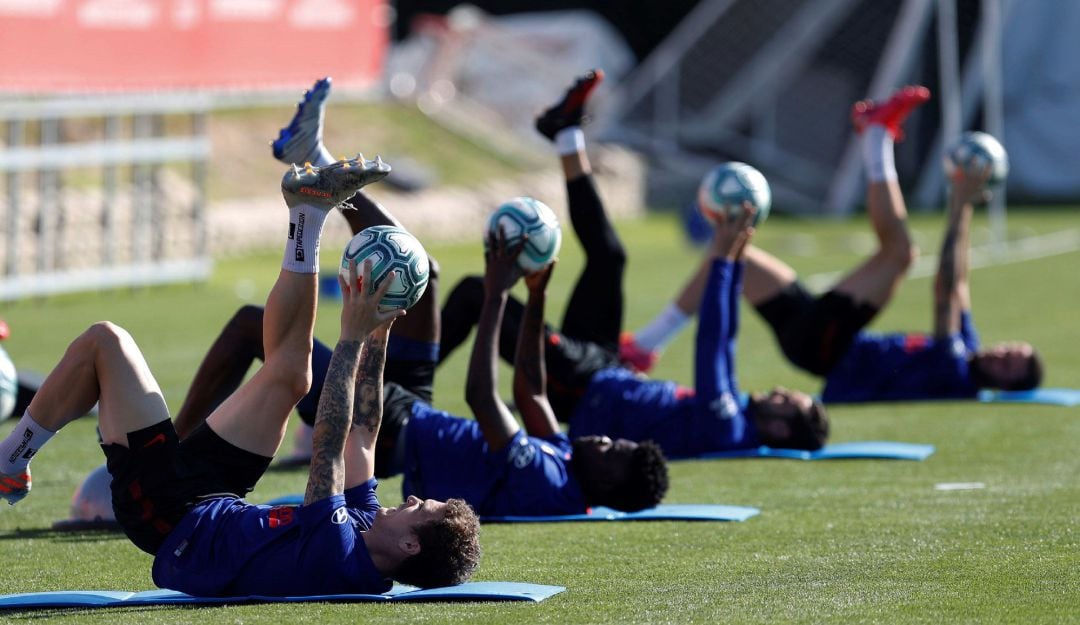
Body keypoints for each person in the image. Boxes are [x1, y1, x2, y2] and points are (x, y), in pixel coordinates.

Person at [167, 76, 669, 516]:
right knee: (422, 270)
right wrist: (536, 294)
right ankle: (314, 158)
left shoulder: (552, 480)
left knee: (253, 326)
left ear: (607, 483)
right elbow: (531, 393)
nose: (602, 440)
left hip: (389, 429)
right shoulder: (566, 458)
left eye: (612, 451)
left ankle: (173, 457)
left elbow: (483, 398)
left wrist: (497, 295)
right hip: (414, 407)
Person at [0, 157, 481, 594]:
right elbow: (362, 433)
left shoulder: (341, 554)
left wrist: (352, 336)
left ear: (411, 548)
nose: (414, 498)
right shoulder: (369, 523)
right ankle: (307, 216)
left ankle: (11, 456)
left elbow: (330, 447)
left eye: (423, 509)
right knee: (293, 375)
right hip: (215, 494)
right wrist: (380, 331)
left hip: (173, 519)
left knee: (105, 342)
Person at [438, 70, 829, 456]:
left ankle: (403, 383)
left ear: (779, 427)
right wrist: (733, 257)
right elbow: (725, 341)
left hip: (580, 385)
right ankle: (566, 133)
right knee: (610, 257)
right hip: (604, 366)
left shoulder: (726, 423)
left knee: (477, 292)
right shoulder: (734, 414)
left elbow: (713, 342)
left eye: (788, 401)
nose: (780, 391)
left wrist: (727, 261)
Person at [624, 86, 1043, 402]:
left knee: (900, 255)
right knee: (736, 256)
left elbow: (946, 292)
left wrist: (961, 205)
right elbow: (962, 285)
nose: (1002, 354)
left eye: (1009, 365)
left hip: (826, 349)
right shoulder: (967, 345)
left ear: (1004, 386)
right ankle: (644, 346)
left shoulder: (956, 373)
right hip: (820, 332)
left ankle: (877, 135)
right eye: (1012, 350)